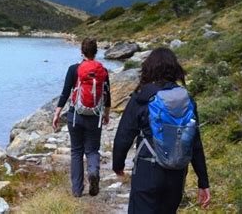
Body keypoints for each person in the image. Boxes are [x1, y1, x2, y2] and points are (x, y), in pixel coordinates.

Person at [112, 47, 211, 213]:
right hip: (177, 173)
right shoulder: (186, 99)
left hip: (147, 170)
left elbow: (124, 135)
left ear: (148, 69)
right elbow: (195, 143)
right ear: (175, 70)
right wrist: (203, 182)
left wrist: (118, 164)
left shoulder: (141, 97)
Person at [52, 37, 111, 197]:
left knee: (76, 152)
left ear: (81, 52)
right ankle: (93, 172)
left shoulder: (74, 69)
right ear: (96, 52)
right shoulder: (102, 71)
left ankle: (77, 191)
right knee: (92, 150)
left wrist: (57, 113)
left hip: (75, 116)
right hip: (94, 116)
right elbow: (107, 95)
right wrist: (106, 115)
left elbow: (65, 92)